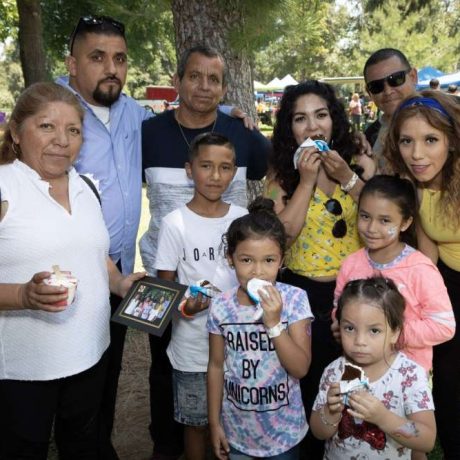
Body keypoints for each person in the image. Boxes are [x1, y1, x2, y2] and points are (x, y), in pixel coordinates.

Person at [57, 18, 249, 458]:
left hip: (122, 271)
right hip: (69, 270)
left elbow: (212, 125)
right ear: (71, 63)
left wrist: (234, 115)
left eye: (119, 59)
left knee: (111, 373)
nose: (111, 68)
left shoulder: (135, 117)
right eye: (97, 57)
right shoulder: (55, 108)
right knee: (75, 388)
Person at [0, 82, 143, 458]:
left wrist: (119, 281)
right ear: (16, 131)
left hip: (90, 354)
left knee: (82, 443)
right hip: (23, 369)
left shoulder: (85, 186)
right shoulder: (5, 186)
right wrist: (22, 295)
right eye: (46, 126)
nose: (62, 140)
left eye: (73, 130)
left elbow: (97, 255)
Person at [141, 44, 271, 459]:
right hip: (169, 277)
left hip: (231, 297)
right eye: (194, 76)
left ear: (224, 87)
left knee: (229, 382)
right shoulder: (149, 133)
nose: (203, 86)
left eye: (214, 79)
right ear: (178, 81)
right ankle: (168, 447)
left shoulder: (241, 133)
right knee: (170, 375)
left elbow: (275, 166)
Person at [264, 80, 375, 458]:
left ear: (334, 120)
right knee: (311, 387)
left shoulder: (359, 164)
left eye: (321, 115)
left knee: (356, 382)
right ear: (288, 128)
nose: (312, 127)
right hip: (301, 296)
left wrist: (347, 177)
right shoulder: (280, 178)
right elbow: (282, 239)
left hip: (355, 294)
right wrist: (307, 182)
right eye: (301, 119)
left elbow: (382, 214)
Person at [154, 132, 247, 460]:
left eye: (225, 167)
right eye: (206, 166)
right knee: (196, 425)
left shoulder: (241, 218)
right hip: (193, 348)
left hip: (238, 345)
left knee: (233, 421)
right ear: (189, 170)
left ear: (234, 172)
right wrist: (187, 305)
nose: (216, 175)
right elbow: (164, 291)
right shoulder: (174, 223)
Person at [384, 90, 460, 460]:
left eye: (430, 140)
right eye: (407, 141)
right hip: (449, 285)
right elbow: (427, 256)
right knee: (446, 387)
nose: (417, 154)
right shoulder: (419, 184)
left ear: (451, 138)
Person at [207, 198, 313, 460]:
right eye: (246, 260)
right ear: (230, 259)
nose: (258, 271)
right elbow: (216, 366)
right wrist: (214, 423)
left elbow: (300, 368)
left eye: (268, 260)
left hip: (284, 434)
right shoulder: (220, 306)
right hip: (237, 434)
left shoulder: (295, 300)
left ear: (281, 260)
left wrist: (275, 323)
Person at [333, 175, 455, 372]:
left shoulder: (420, 269)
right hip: (358, 371)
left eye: (385, 220)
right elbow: (337, 309)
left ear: (405, 223)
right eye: (365, 216)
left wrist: (391, 335)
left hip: (407, 375)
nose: (372, 228)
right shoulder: (350, 264)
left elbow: (444, 326)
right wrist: (341, 324)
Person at [310, 277, 436, 459]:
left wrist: (383, 417)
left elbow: (426, 438)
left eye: (374, 330)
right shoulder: (334, 371)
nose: (360, 341)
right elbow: (318, 432)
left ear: (395, 332)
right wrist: (331, 411)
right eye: (350, 328)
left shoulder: (409, 375)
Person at [363, 48, 418, 171]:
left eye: (396, 79)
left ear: (413, 76)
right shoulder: (370, 137)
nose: (387, 91)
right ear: (369, 92)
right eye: (376, 86)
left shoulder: (446, 121)